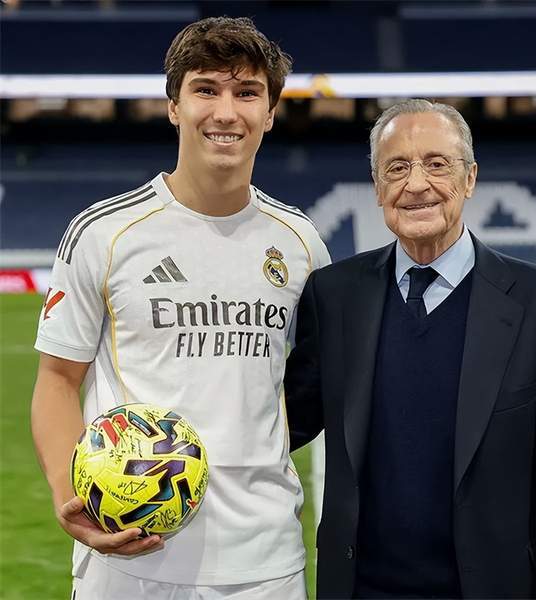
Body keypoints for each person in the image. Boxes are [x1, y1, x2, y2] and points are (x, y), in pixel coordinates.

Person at [31, 16, 329, 600]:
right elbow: (58, 380)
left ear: (271, 113)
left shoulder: (300, 243)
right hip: (128, 556)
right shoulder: (103, 233)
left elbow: (318, 384)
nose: (226, 112)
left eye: (248, 93)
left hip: (263, 562)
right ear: (174, 106)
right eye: (205, 89)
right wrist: (72, 494)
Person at [284, 99, 536, 599]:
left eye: (436, 164)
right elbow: (282, 421)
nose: (416, 184)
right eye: (397, 168)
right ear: (377, 187)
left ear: (469, 179)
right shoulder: (334, 295)